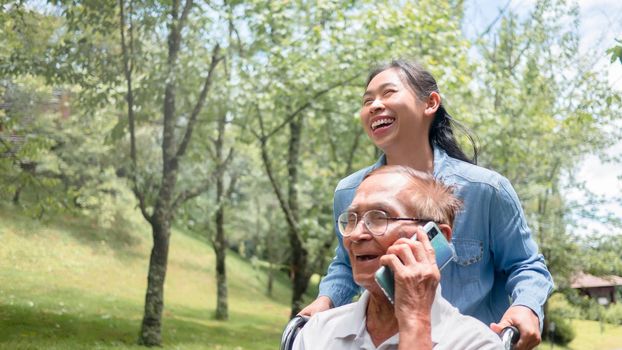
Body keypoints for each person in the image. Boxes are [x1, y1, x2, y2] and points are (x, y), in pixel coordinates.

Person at [299, 60, 553, 350]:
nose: (375, 105)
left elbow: (526, 264)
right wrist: (326, 300)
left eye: (388, 93)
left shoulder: (486, 190)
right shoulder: (350, 192)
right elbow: (347, 264)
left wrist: (527, 306)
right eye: (367, 100)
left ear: (430, 103)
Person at [293, 166, 503, 349]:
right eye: (351, 219)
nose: (355, 234)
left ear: (435, 237)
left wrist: (415, 321)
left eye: (379, 217)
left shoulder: (476, 343)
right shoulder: (318, 332)